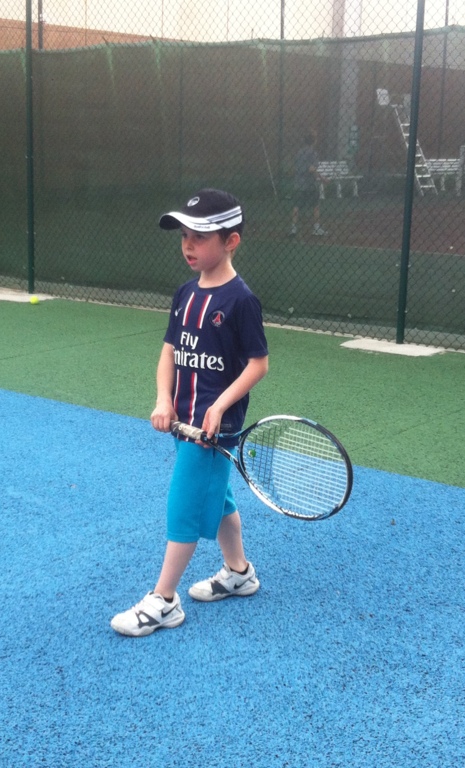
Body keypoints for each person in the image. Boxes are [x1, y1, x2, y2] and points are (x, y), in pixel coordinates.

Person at [111, 188, 269, 637]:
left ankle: (164, 600)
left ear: (231, 241)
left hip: (214, 429)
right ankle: (239, 572)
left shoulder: (241, 301)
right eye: (184, 236)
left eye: (200, 237)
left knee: (184, 502)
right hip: (184, 422)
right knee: (217, 498)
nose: (188, 245)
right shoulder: (184, 293)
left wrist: (219, 406)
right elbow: (170, 351)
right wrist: (164, 399)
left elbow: (258, 364)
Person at [289, 130, 327, 237]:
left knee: (296, 206)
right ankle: (316, 228)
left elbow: (296, 167)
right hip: (309, 184)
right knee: (316, 206)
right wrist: (322, 178)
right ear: (314, 141)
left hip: (298, 183)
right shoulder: (313, 153)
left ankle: (293, 228)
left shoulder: (299, 153)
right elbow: (311, 169)